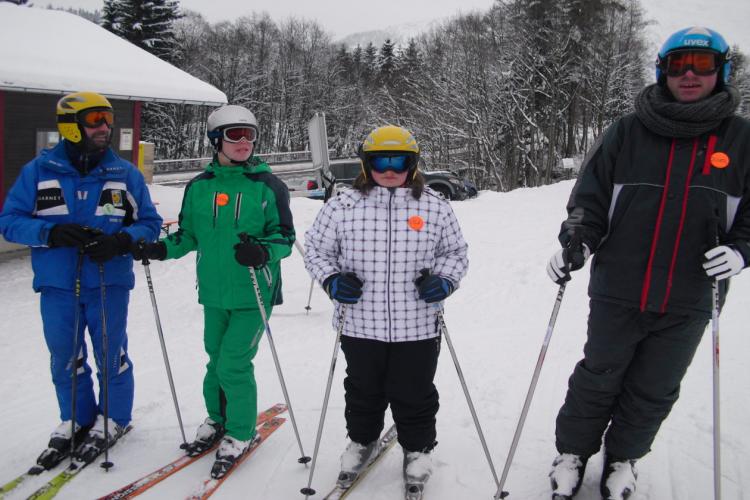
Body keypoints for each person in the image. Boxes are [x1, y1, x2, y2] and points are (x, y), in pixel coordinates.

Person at [545, 27, 750, 500]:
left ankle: (623, 460)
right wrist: (577, 240)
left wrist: (741, 251)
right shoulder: (627, 131)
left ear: (722, 71)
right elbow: (589, 199)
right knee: (597, 377)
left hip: (691, 295)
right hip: (620, 287)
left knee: (655, 388)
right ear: (663, 70)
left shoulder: (741, 139)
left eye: (703, 65)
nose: (691, 75)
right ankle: (572, 453)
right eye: (679, 65)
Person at [303, 125, 469, 496]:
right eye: (380, 161)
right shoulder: (342, 206)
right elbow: (315, 249)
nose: (390, 170)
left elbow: (455, 253)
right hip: (360, 323)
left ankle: (418, 450)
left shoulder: (434, 206)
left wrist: (444, 280)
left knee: (414, 391)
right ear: (366, 164)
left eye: (399, 161)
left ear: (413, 164)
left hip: (418, 325)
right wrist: (331, 280)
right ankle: (362, 441)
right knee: (363, 389)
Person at [133, 104, 295, 479]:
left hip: (254, 292)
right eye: (235, 134)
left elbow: (285, 237)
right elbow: (189, 235)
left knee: (234, 363)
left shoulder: (267, 186)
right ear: (215, 139)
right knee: (215, 361)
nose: (244, 142)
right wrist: (161, 248)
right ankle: (218, 418)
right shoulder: (200, 186)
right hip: (213, 293)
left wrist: (262, 252)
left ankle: (239, 432)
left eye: (250, 134)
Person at [0, 91, 162, 467]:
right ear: (71, 126)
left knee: (111, 353)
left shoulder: (124, 174)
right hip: (58, 282)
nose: (105, 127)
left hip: (108, 280)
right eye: (95, 120)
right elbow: (9, 221)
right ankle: (77, 416)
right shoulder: (39, 172)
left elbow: (150, 223)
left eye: (108, 120)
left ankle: (115, 417)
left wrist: (123, 239)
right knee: (65, 357)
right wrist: (50, 234)